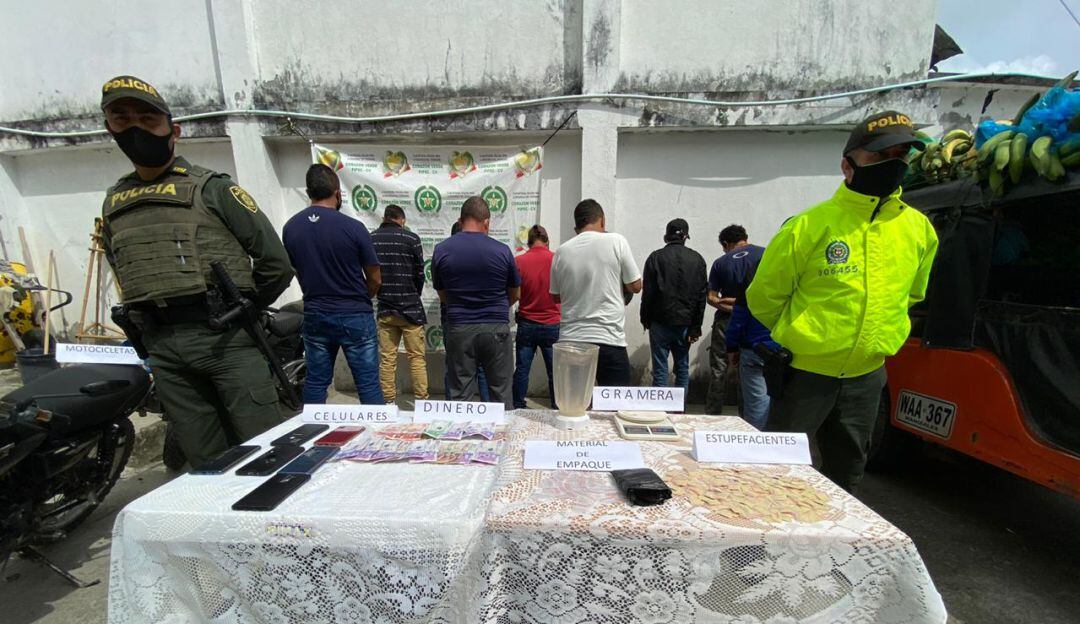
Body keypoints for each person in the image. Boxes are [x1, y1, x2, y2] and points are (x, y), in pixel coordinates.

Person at [98, 75, 294, 468]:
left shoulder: (213, 189)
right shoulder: (114, 201)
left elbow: (275, 264)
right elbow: (122, 268)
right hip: (163, 346)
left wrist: (244, 306)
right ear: (109, 128)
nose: (135, 128)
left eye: (147, 119)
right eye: (122, 119)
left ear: (173, 130)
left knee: (268, 454)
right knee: (206, 462)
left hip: (225, 339)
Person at [747, 110, 938, 493]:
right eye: (880, 156)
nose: (893, 164)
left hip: (867, 377)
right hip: (805, 374)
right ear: (847, 166)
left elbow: (912, 294)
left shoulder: (918, 230)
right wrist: (807, 335)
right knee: (776, 472)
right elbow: (764, 298)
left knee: (847, 473)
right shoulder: (809, 226)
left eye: (901, 155)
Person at [282, 164, 384, 405]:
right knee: (368, 383)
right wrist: (364, 296)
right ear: (338, 193)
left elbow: (295, 270)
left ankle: (313, 433)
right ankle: (377, 436)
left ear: (309, 192)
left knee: (316, 381)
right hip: (355, 313)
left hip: (316, 312)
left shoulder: (291, 228)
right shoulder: (353, 228)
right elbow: (375, 277)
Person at [432, 197, 520, 406]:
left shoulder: (442, 250)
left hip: (459, 327)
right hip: (496, 328)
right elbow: (515, 293)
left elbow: (443, 295)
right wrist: (496, 307)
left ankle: (460, 437)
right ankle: (503, 437)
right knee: (501, 394)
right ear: (487, 222)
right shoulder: (502, 251)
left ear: (461, 221)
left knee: (460, 395)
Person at [550, 199, 642, 386]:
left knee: (575, 407)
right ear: (602, 220)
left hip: (571, 340)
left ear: (576, 227)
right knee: (614, 408)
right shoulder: (617, 241)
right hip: (609, 339)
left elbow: (555, 296)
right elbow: (636, 286)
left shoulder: (561, 251)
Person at [640, 218, 707, 391]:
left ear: (666, 237)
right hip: (685, 324)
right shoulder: (697, 260)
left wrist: (645, 319)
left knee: (660, 371)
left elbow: (648, 292)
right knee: (682, 369)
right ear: (685, 237)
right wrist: (695, 327)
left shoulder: (655, 257)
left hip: (659, 322)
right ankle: (680, 411)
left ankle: (661, 411)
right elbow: (701, 297)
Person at [371, 204, 428, 404]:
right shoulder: (412, 239)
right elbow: (420, 274)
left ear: (385, 218)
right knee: (417, 358)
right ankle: (422, 402)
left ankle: (388, 403)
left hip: (385, 308)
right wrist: (413, 295)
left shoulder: (372, 239)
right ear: (401, 220)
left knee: (387, 359)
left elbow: (369, 274)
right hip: (411, 309)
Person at [706, 225, 763, 413]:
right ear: (745, 237)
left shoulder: (720, 262)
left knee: (718, 369)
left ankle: (713, 414)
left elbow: (711, 298)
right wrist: (745, 304)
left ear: (725, 244)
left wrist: (732, 304)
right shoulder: (766, 255)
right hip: (758, 321)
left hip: (725, 321)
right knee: (749, 370)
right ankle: (746, 415)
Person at [725, 262, 779, 430]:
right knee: (783, 403)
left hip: (754, 349)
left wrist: (732, 348)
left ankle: (756, 444)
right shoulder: (790, 284)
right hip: (785, 351)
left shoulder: (751, 286)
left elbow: (738, 322)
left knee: (757, 402)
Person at [441, 221, 491, 401]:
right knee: (481, 367)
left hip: (454, 319)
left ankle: (454, 408)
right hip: (477, 320)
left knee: (455, 366)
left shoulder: (444, 255)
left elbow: (442, 292)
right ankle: (487, 407)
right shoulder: (483, 256)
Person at [512, 225, 561, 409]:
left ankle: (517, 405)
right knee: (555, 371)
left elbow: (515, 293)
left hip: (527, 323)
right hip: (552, 323)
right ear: (547, 241)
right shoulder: (556, 258)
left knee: (522, 369)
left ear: (529, 243)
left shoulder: (519, 261)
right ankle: (557, 405)